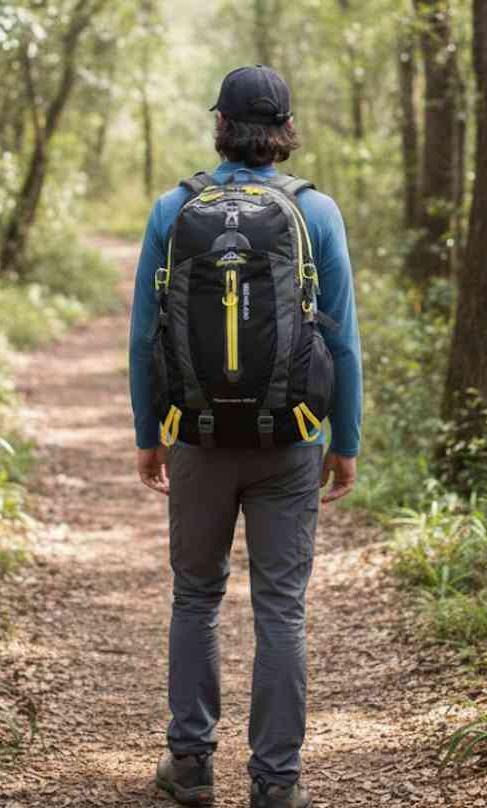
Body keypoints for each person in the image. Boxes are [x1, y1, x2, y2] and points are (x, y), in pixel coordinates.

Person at [128, 65, 363, 808]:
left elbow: (144, 336)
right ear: (286, 131)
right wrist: (344, 439)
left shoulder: (174, 207)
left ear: (221, 125)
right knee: (281, 608)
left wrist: (149, 432)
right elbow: (345, 341)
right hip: (290, 441)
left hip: (196, 433)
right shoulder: (315, 212)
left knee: (195, 598)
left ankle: (192, 766)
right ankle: (276, 783)